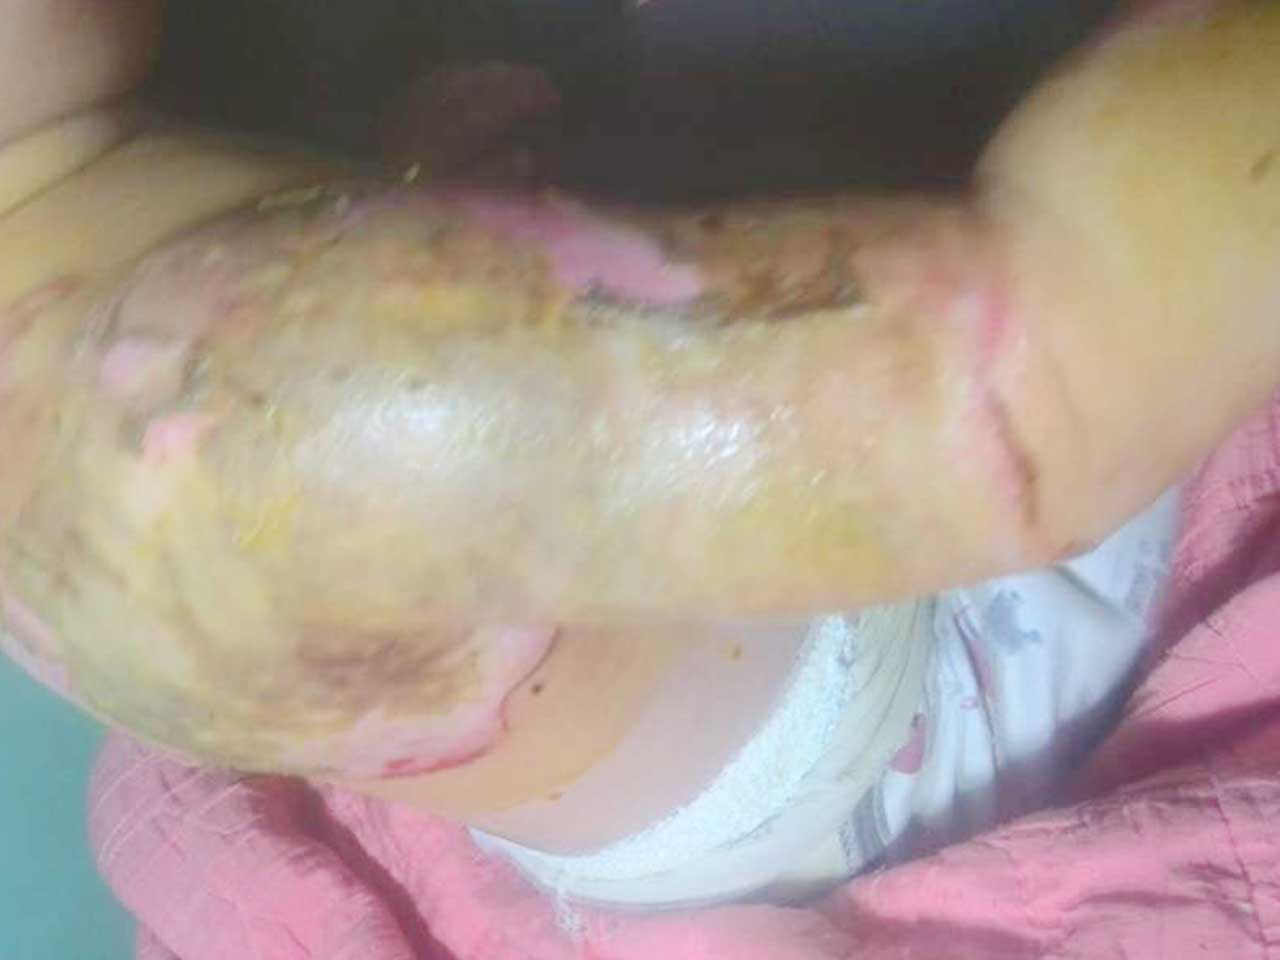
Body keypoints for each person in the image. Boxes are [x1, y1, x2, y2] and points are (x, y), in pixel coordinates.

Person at [2, 0, 1279, 914]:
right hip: (936, 696)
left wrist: (424, 218)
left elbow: (407, 480)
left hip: (669, 765)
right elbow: (1031, 403)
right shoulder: (236, 387)